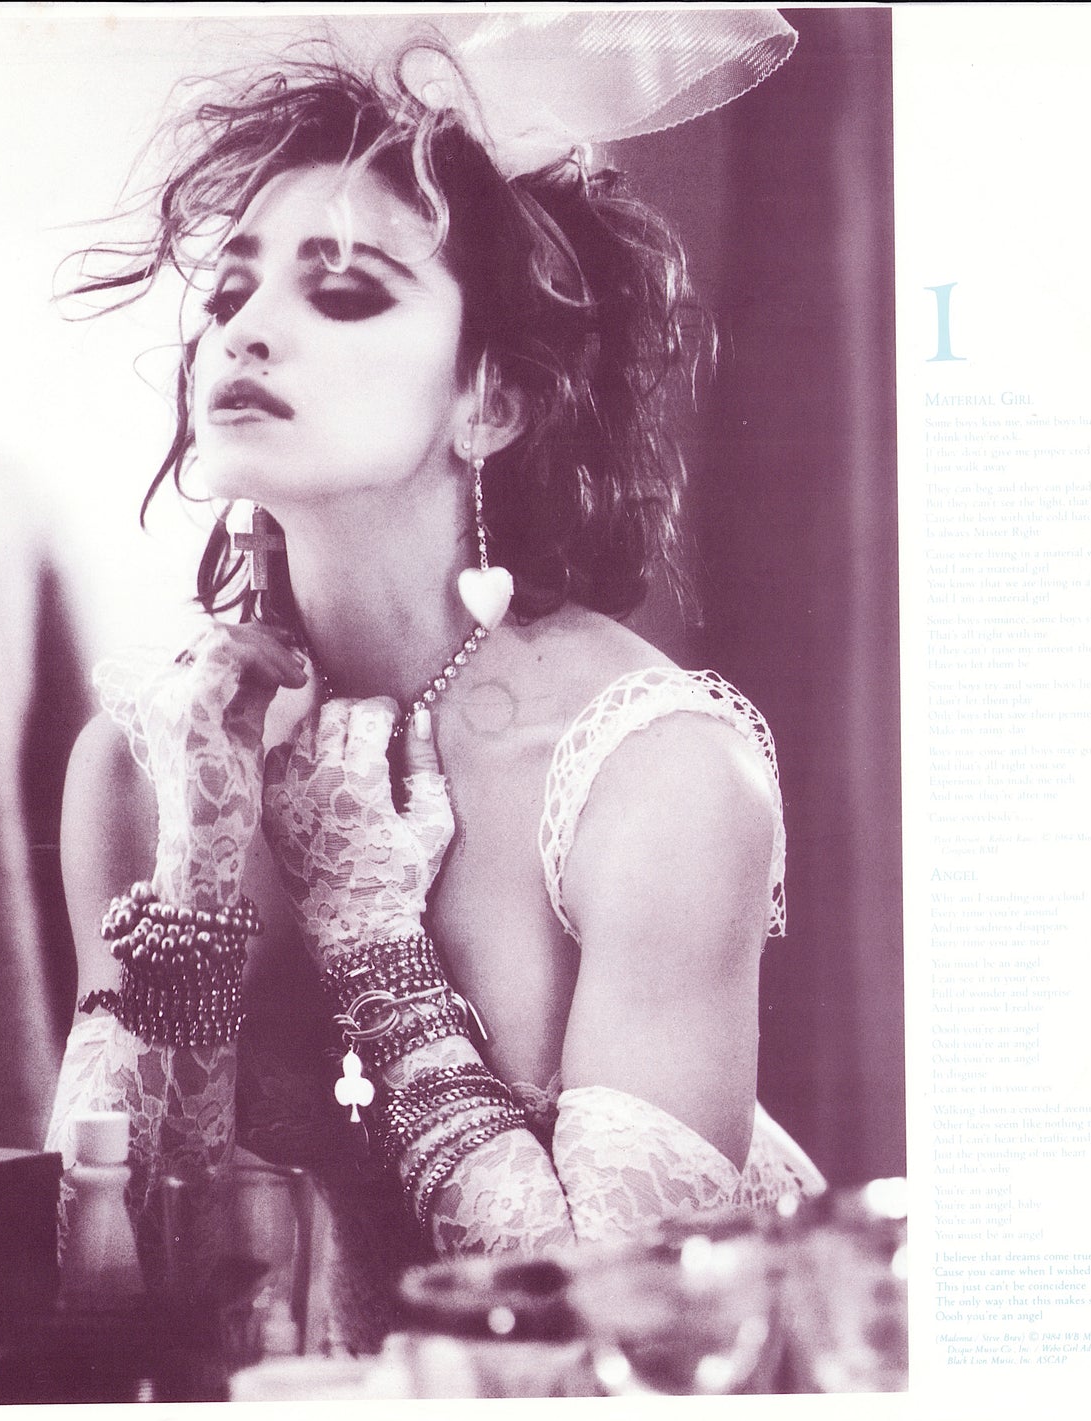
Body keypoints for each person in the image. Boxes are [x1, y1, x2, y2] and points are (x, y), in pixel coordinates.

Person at [46, 15, 824, 1350]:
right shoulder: (145, 759)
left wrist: (374, 941)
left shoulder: (660, 770)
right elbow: (120, 1298)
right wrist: (201, 853)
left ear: (488, 402)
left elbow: (617, 1338)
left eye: (343, 293)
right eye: (227, 294)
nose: (245, 333)